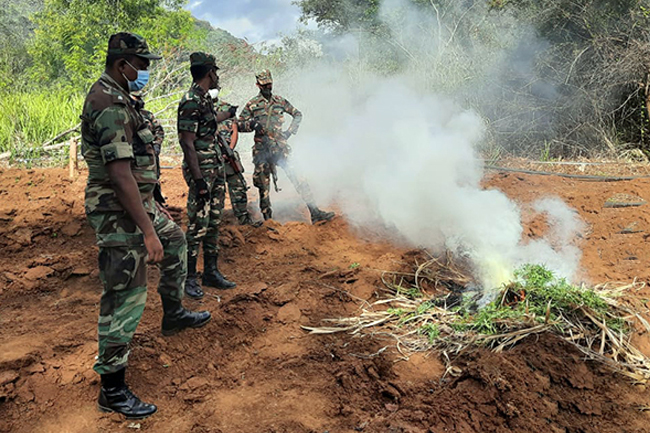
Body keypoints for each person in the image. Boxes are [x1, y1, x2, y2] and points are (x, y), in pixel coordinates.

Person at [80, 32, 210, 419]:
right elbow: (119, 175)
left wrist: (154, 208)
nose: (146, 72)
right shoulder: (108, 103)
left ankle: (173, 312)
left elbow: (136, 167)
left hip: (137, 205)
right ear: (123, 65)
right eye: (143, 65)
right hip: (117, 212)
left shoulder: (122, 97)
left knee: (176, 242)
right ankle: (112, 389)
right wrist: (147, 230)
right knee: (126, 295)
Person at [177, 52, 238, 299]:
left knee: (213, 221)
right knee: (197, 225)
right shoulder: (191, 100)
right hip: (202, 173)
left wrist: (228, 114)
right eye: (216, 72)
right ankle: (189, 278)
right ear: (209, 72)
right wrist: (199, 180)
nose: (217, 77)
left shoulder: (203, 99)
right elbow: (186, 142)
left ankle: (211, 272)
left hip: (215, 170)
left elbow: (208, 123)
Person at [238, 69, 335, 224]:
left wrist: (289, 132)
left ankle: (315, 212)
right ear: (257, 85)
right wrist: (252, 125)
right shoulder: (252, 104)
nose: (268, 87)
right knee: (263, 186)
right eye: (264, 85)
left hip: (281, 149)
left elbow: (297, 114)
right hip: (262, 150)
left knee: (299, 178)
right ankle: (268, 220)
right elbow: (239, 124)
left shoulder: (280, 101)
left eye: (269, 84)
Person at [215, 98, 263, 226]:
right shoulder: (198, 107)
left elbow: (235, 128)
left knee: (238, 188)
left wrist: (229, 150)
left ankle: (243, 220)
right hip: (209, 160)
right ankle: (213, 223)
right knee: (215, 192)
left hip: (228, 156)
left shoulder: (226, 107)